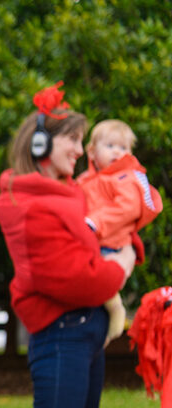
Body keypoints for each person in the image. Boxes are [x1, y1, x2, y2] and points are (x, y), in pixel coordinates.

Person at [0, 84, 135, 408]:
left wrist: (125, 249)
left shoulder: (71, 194)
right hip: (61, 336)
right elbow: (79, 279)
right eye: (71, 139)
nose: (79, 148)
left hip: (85, 333)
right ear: (39, 144)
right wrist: (121, 265)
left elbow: (113, 231)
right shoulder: (27, 204)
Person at [77, 119, 163, 345]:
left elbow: (127, 208)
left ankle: (116, 310)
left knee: (102, 274)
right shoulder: (85, 180)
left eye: (124, 148)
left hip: (112, 241)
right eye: (111, 146)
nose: (118, 152)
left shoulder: (125, 177)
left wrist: (95, 222)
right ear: (92, 152)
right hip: (91, 239)